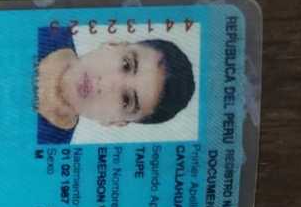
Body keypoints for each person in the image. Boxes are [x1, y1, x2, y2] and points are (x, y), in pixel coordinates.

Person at [35, 25, 196, 144]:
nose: (107, 84)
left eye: (126, 100)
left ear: (115, 122)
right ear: (112, 45)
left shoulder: (48, 157)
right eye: (126, 65)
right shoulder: (46, 22)